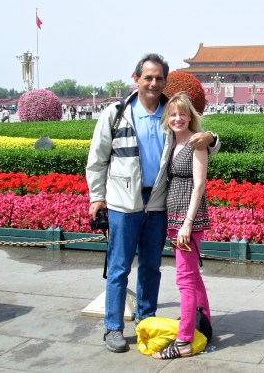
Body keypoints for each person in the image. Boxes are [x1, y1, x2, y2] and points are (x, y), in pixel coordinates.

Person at [86, 53, 219, 353]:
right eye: (148, 77)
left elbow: (197, 136)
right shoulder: (117, 113)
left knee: (151, 267)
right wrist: (97, 197)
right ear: (136, 79)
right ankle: (113, 327)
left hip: (158, 203)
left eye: (159, 78)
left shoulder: (170, 111)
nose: (153, 83)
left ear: (165, 81)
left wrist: (212, 138)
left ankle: (145, 320)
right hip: (124, 202)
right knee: (119, 267)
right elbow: (97, 159)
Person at [152, 92, 212, 359]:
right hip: (174, 216)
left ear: (191, 116)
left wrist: (187, 223)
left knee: (184, 279)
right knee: (192, 276)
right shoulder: (170, 142)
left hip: (189, 218)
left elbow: (199, 184)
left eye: (182, 114)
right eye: (173, 114)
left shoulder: (196, 143)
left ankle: (184, 340)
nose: (178, 118)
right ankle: (205, 324)